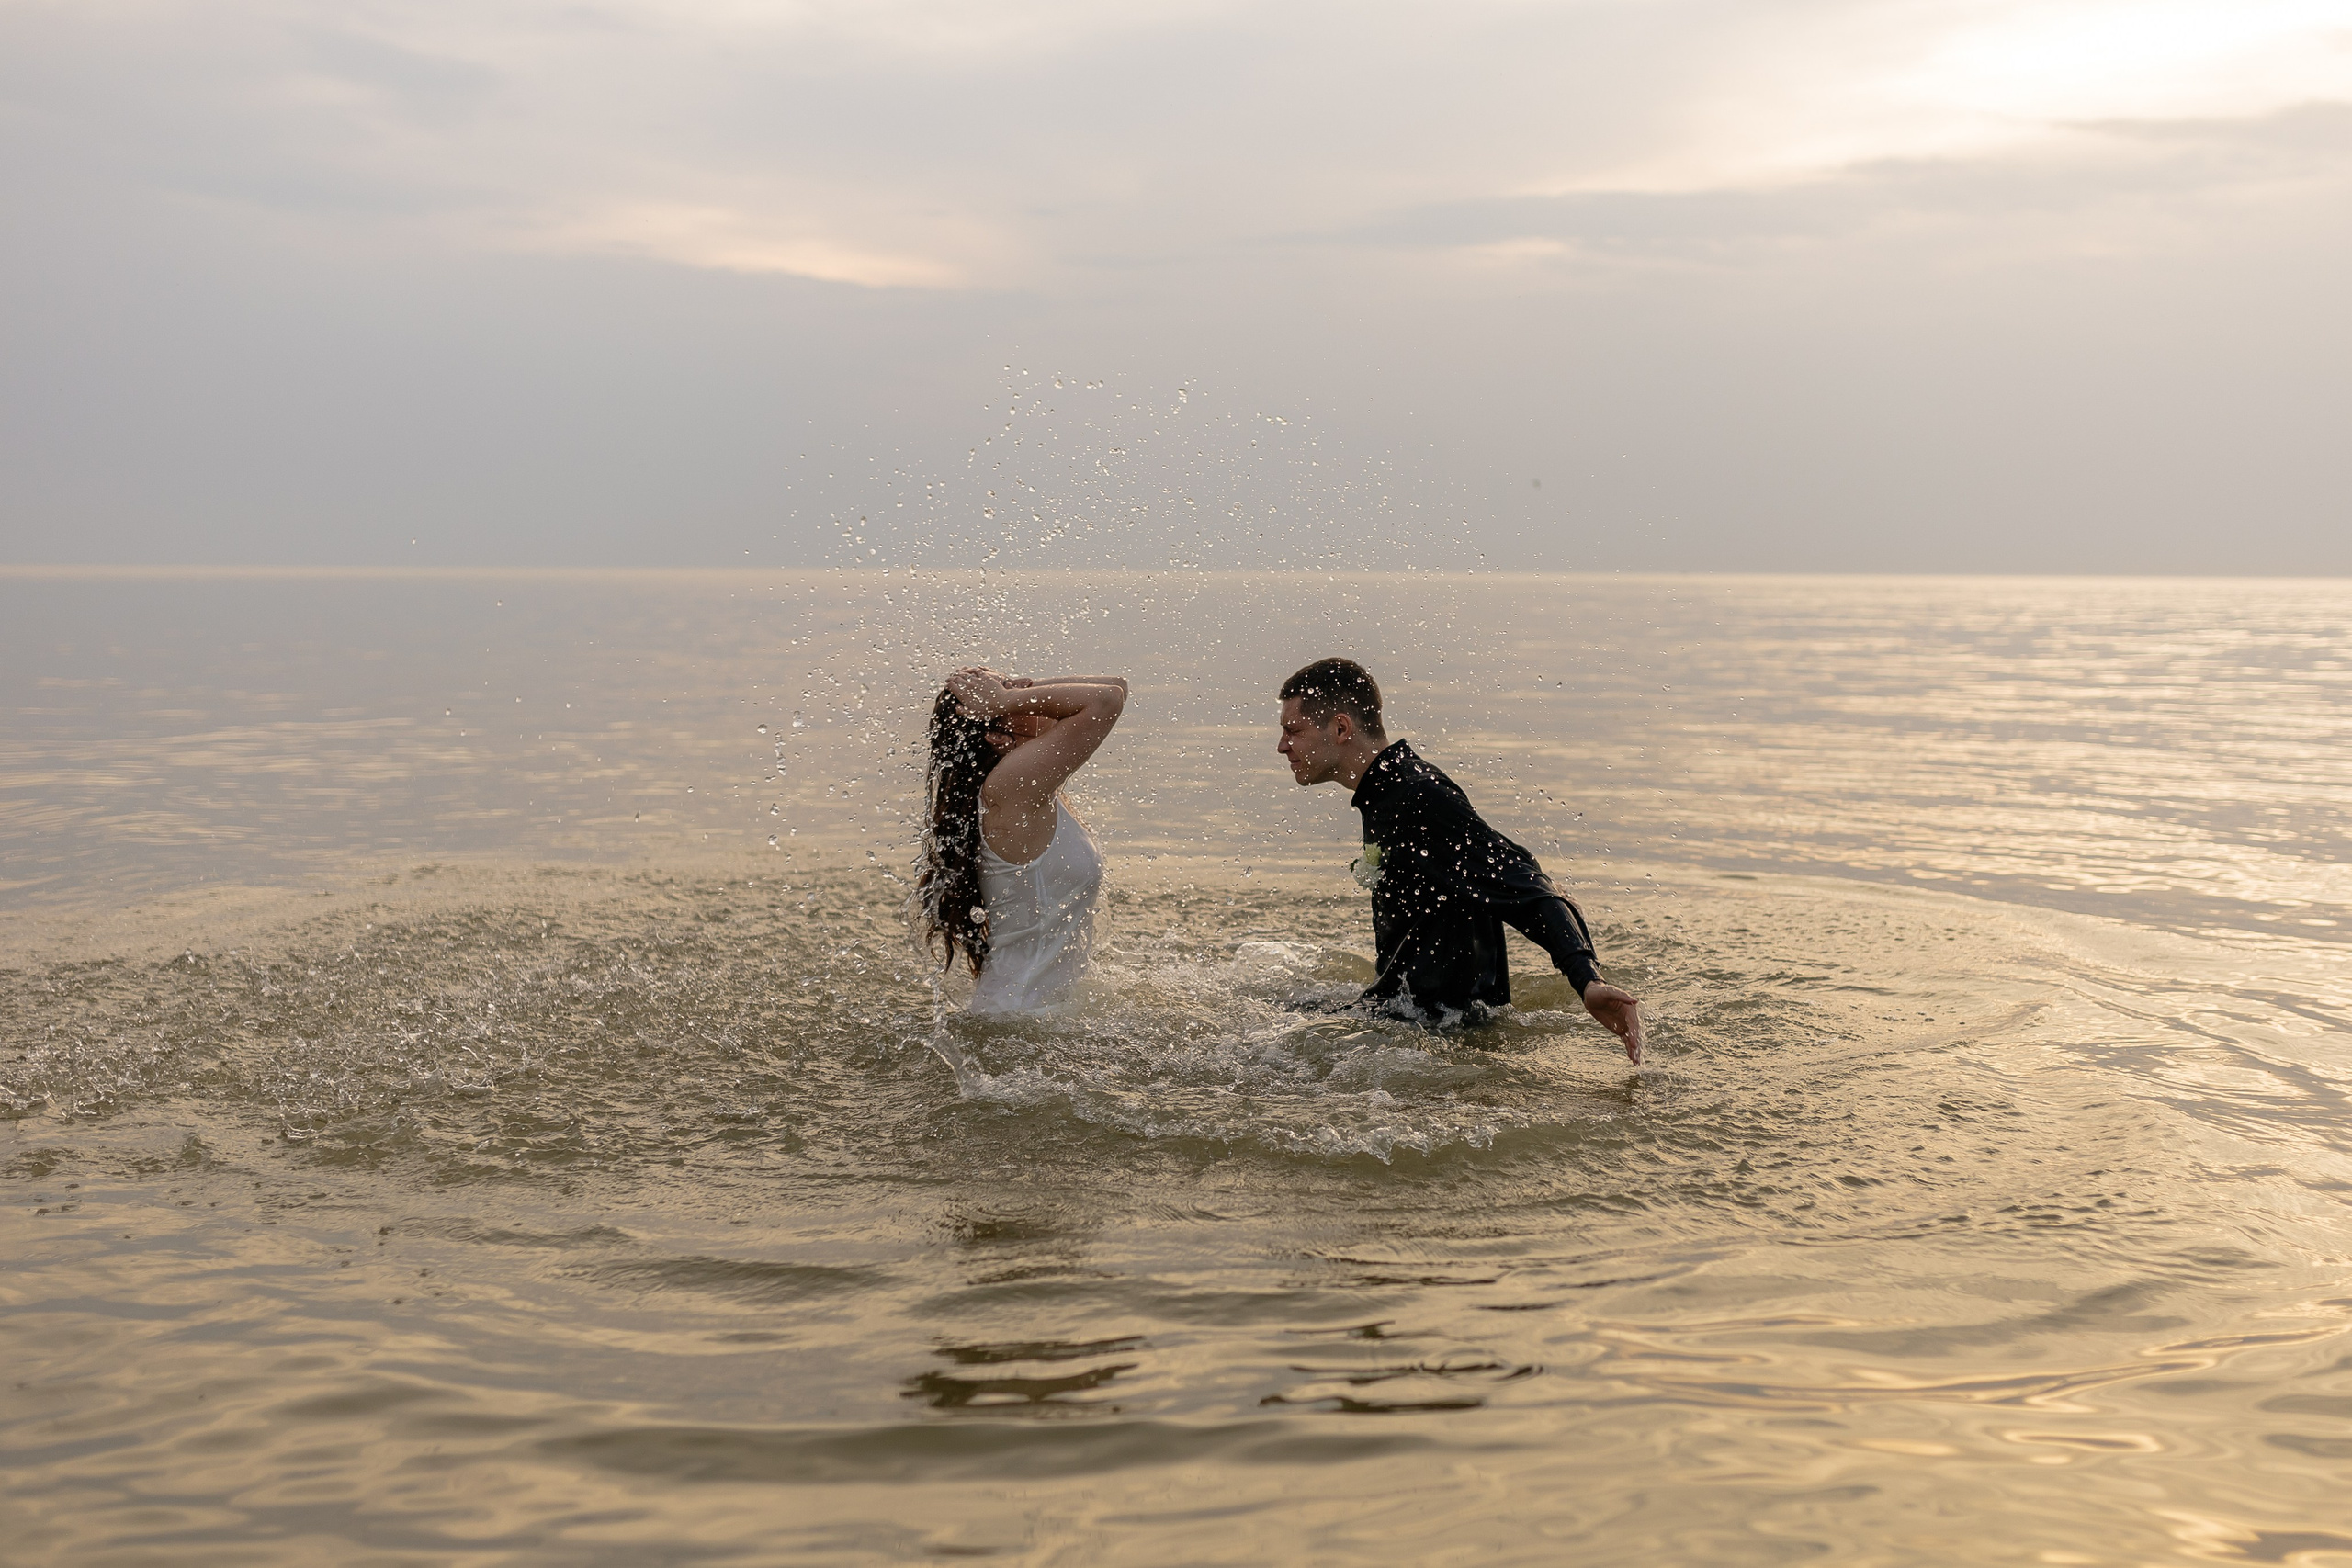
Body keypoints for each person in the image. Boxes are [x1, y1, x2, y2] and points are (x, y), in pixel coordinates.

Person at [1274, 657, 1646, 1062]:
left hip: (1443, 1034)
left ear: (1341, 728)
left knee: (1272, 1049)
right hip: (1408, 1019)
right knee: (1286, 1011)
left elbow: (1532, 888)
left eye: (1293, 730)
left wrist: (1586, 979)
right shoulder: (1388, 792)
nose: (1282, 746)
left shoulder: (1419, 797)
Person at [916, 666, 1127, 1015]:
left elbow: (1117, 685)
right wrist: (1006, 699)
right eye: (1012, 697)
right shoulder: (1010, 789)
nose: (1036, 699)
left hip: (1029, 1015)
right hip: (1021, 1015)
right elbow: (1104, 702)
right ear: (998, 735)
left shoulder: (1028, 794)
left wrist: (1013, 694)